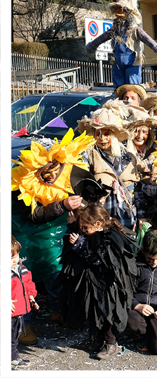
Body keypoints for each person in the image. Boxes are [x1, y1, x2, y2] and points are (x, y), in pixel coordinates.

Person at [11, 129, 95, 339]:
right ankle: (23, 325)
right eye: (46, 170)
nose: (51, 174)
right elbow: (32, 215)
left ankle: (57, 311)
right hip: (28, 240)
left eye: (55, 170)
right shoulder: (23, 183)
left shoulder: (67, 177)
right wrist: (62, 206)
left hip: (52, 240)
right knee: (21, 283)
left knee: (55, 275)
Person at [56, 204, 138, 359]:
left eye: (86, 228)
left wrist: (80, 246)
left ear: (98, 224)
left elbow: (97, 260)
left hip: (108, 285)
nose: (84, 231)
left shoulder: (109, 237)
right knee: (95, 312)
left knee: (107, 314)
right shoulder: (94, 233)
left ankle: (110, 343)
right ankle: (97, 340)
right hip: (96, 283)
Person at [77, 103, 142, 231]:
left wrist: (141, 215)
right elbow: (80, 188)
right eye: (98, 134)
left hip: (126, 218)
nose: (102, 138)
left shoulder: (128, 158)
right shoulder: (88, 157)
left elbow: (138, 190)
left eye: (106, 134)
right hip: (99, 219)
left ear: (114, 135)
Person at [85, 0, 157, 87]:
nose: (118, 12)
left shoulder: (135, 30)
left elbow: (147, 39)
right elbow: (102, 37)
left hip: (132, 62)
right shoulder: (114, 30)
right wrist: (92, 46)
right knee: (119, 88)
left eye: (121, 9)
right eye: (116, 9)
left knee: (132, 86)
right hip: (117, 63)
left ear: (128, 12)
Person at [11, 236, 37, 370]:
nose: (15, 260)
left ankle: (13, 358)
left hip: (19, 310)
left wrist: (32, 296)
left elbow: (28, 284)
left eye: (16, 255)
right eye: (10, 258)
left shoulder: (21, 268)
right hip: (8, 311)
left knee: (14, 336)